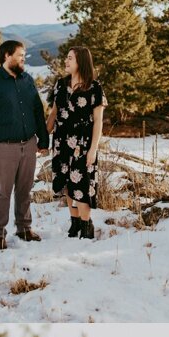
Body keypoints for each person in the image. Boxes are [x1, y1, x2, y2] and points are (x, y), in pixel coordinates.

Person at [0, 39, 49, 251]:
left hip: (29, 145)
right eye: (20, 55)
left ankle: (24, 228)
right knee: (2, 193)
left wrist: (43, 139)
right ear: (7, 56)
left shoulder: (28, 80)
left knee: (25, 190)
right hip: (3, 148)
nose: (24, 58)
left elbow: (37, 111)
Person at [47, 44, 106, 240]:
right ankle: (74, 224)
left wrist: (93, 149)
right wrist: (41, 136)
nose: (66, 61)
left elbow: (98, 121)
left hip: (83, 143)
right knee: (67, 183)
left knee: (81, 183)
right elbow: (53, 114)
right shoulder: (60, 85)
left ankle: (86, 224)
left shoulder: (95, 88)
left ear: (80, 62)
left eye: (70, 58)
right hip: (61, 141)